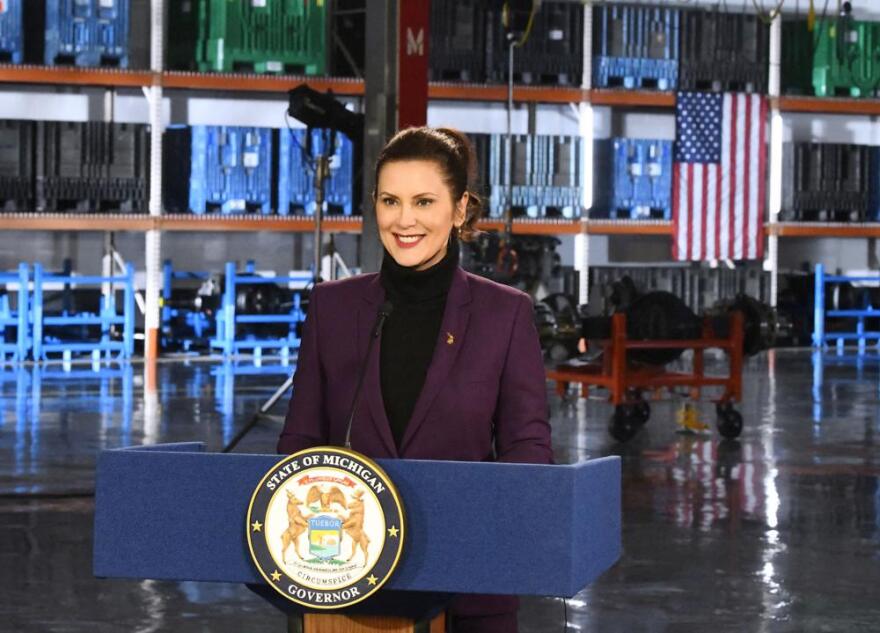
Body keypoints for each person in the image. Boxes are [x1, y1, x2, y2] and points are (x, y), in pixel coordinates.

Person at [278, 126, 553, 633]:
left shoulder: (505, 315)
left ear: (461, 209)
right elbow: (298, 444)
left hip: (469, 589)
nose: (405, 220)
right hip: (346, 592)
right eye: (390, 200)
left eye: (424, 201)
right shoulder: (332, 307)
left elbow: (528, 451)